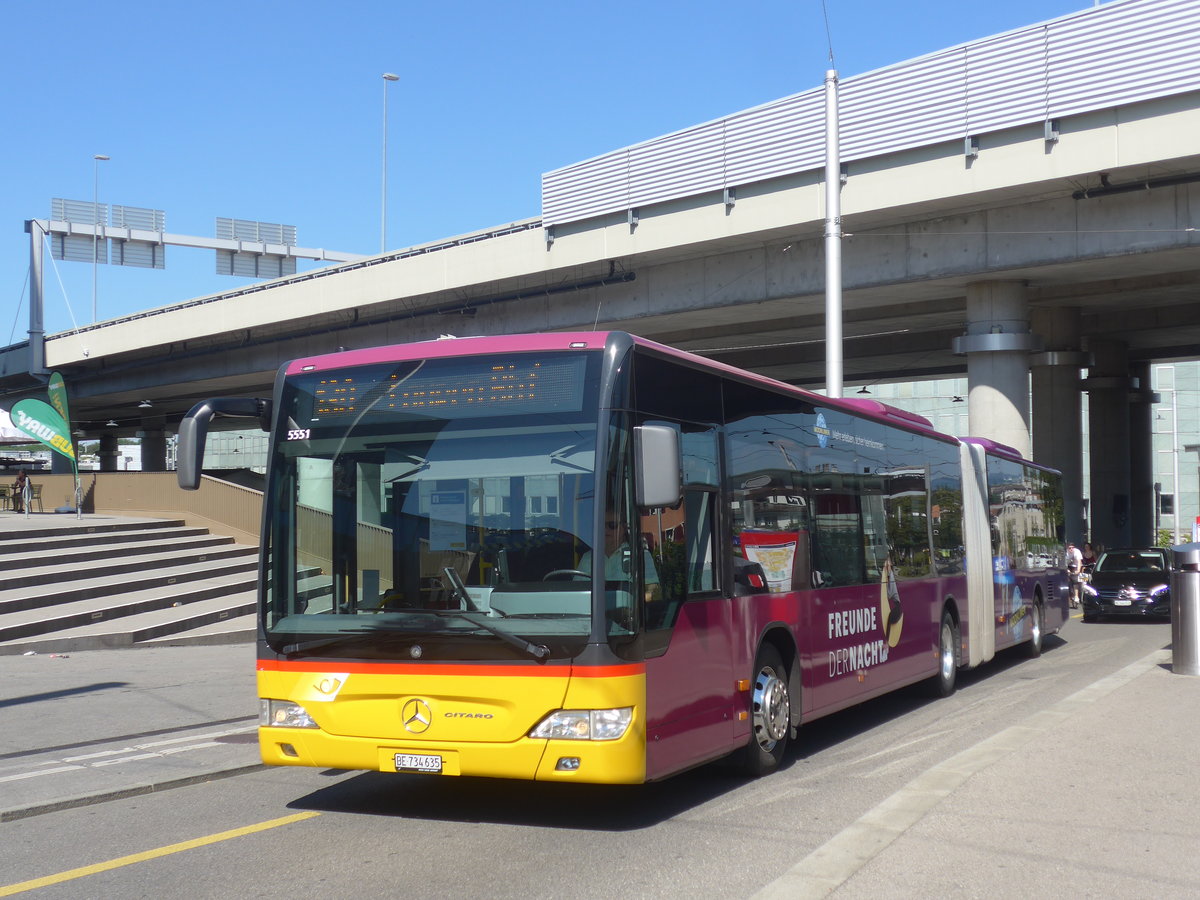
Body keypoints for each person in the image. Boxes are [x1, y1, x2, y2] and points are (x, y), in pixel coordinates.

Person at [1066, 541, 1084, 608]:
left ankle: (1076, 596)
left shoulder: (1077, 552)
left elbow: (1079, 562)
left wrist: (1078, 570)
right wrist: (1066, 570)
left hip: (1076, 566)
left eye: (1072, 548)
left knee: (1076, 581)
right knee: (1068, 582)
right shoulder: (1066, 553)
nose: (1071, 549)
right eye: (1069, 548)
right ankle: (1070, 596)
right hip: (1069, 567)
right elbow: (1064, 562)